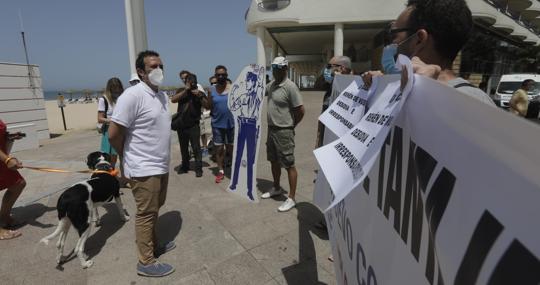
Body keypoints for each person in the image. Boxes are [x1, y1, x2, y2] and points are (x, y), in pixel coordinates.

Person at [108, 50, 175, 277]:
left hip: (161, 165)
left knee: (155, 208)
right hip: (143, 167)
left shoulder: (162, 96)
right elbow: (113, 134)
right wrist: (126, 156)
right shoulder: (133, 95)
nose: (159, 71)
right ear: (140, 72)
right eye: (153, 67)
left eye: (161, 66)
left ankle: (153, 244)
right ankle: (146, 262)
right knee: (146, 213)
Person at [363, 0, 495, 106]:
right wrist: (377, 88)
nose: (391, 44)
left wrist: (429, 93)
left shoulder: (473, 103)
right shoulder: (400, 87)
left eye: (394, 35)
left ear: (419, 40)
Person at [261, 57, 305, 212]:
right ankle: (276, 187)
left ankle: (292, 198)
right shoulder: (272, 85)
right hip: (271, 129)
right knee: (273, 161)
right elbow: (259, 91)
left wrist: (291, 125)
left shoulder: (290, 87)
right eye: (273, 69)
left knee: (289, 164)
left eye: (278, 69)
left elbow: (300, 111)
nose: (275, 72)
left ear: (285, 69)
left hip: (284, 131)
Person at [229, 70, 264, 201]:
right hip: (242, 125)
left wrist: (259, 81)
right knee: (238, 156)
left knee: (250, 159)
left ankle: (249, 189)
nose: (247, 83)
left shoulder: (257, 97)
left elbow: (261, 90)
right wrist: (233, 91)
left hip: (252, 126)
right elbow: (233, 106)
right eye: (247, 80)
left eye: (249, 81)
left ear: (254, 83)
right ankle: (234, 183)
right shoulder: (243, 96)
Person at [171, 71, 208, 177]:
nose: (189, 83)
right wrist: (185, 91)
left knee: (196, 147)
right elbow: (173, 100)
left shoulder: (199, 92)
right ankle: (185, 166)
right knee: (183, 147)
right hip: (181, 124)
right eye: (187, 81)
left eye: (191, 81)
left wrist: (200, 95)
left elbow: (207, 105)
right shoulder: (181, 90)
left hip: (193, 124)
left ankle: (198, 168)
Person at [316, 56, 353, 147]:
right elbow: (318, 85)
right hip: (326, 128)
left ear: (342, 68)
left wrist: (341, 81)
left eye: (329, 66)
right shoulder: (331, 82)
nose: (327, 69)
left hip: (343, 131)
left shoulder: (355, 83)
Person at [207, 65, 235, 183]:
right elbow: (209, 106)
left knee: (231, 149)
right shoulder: (211, 90)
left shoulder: (233, 88)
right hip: (217, 125)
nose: (221, 76)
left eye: (223, 74)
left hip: (231, 124)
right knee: (218, 149)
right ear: (215, 76)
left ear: (227, 76)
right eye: (218, 75)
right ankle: (221, 170)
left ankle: (235, 170)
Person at [0, 120, 26, 240]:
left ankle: (4, 217)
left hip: (2, 158)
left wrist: (8, 136)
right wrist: (7, 160)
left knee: (18, 184)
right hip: (3, 158)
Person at [97, 77, 124, 169]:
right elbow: (100, 119)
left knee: (123, 156)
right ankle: (110, 176)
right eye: (114, 88)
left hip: (122, 129)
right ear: (110, 88)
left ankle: (123, 178)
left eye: (118, 88)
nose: (117, 90)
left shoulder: (123, 97)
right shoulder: (103, 99)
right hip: (110, 129)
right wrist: (113, 120)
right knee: (111, 158)